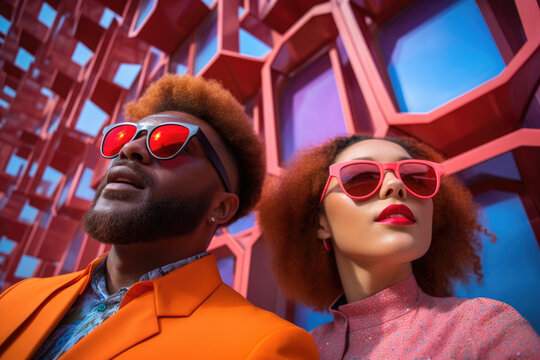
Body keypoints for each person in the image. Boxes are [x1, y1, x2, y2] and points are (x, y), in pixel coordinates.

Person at [0, 74, 319, 360]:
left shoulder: (264, 347)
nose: (130, 150)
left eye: (170, 143)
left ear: (221, 207)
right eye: (122, 139)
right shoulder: (18, 297)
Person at [257, 134, 539, 359]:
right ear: (321, 223)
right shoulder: (302, 352)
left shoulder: (483, 327)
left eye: (416, 177)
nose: (395, 186)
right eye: (360, 177)